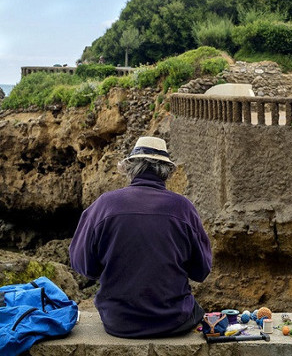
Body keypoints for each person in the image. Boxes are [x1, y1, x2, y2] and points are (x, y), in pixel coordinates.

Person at [69, 136, 212, 339]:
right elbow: (201, 270)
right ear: (166, 172)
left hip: (118, 321)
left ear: (130, 168)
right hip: (174, 320)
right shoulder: (183, 208)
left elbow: (83, 266)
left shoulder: (104, 205)